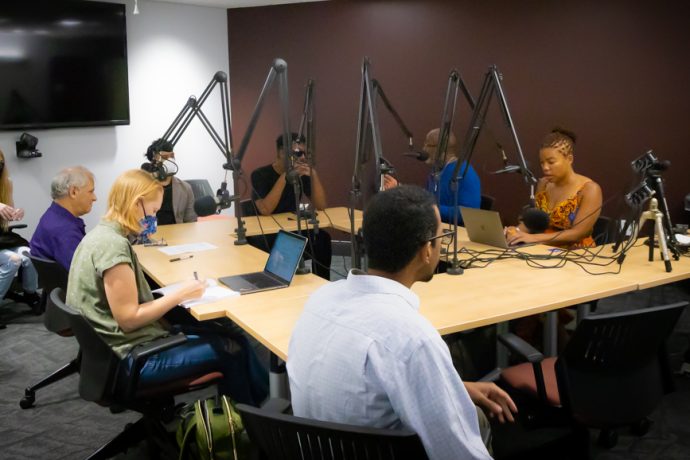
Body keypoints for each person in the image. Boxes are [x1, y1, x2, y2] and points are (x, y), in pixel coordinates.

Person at [287, 185, 517, 460]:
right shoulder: (413, 339)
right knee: (477, 423)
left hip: (320, 450)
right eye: (441, 236)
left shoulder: (319, 300)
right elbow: (461, 454)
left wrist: (455, 387)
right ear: (426, 251)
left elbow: (365, 386)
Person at [66, 169, 267, 404]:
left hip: (114, 350)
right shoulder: (112, 246)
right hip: (132, 358)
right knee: (233, 348)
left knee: (230, 336)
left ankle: (261, 412)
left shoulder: (98, 236)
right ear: (136, 203)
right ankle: (255, 422)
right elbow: (129, 318)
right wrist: (180, 293)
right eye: (152, 211)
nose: (154, 218)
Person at [250, 132, 331, 280]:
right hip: (266, 231)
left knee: (322, 239)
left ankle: (323, 282)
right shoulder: (260, 175)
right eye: (298, 153)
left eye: (304, 153)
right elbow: (265, 209)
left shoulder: (301, 175)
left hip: (291, 227)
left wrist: (312, 174)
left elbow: (321, 205)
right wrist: (285, 177)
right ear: (282, 153)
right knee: (288, 243)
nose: (302, 158)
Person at [506, 127, 602, 249]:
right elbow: (532, 223)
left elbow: (578, 233)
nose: (545, 168)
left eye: (551, 162)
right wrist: (516, 231)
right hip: (542, 250)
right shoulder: (544, 184)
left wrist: (533, 239)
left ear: (569, 159)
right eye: (542, 163)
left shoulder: (589, 189)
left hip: (576, 256)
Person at [384, 128, 481, 224]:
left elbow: (467, 214)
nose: (424, 149)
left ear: (441, 148)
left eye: (428, 145)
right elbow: (425, 198)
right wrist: (400, 189)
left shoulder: (465, 174)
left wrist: (429, 207)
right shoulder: (436, 170)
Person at [30, 166, 96, 271]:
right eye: (91, 191)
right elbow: (85, 274)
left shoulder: (52, 215)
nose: (94, 198)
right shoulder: (65, 231)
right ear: (73, 192)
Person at [0, 148, 39, 311]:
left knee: (29, 254)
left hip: (3, 239)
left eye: (0, 163)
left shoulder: (5, 184)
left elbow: (4, 222)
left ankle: (30, 293)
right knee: (13, 260)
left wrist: (13, 214)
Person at [142, 138, 197, 225]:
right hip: (151, 235)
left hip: (177, 236)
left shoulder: (185, 188)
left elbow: (191, 222)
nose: (170, 160)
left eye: (172, 156)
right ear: (155, 161)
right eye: (165, 157)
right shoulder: (143, 187)